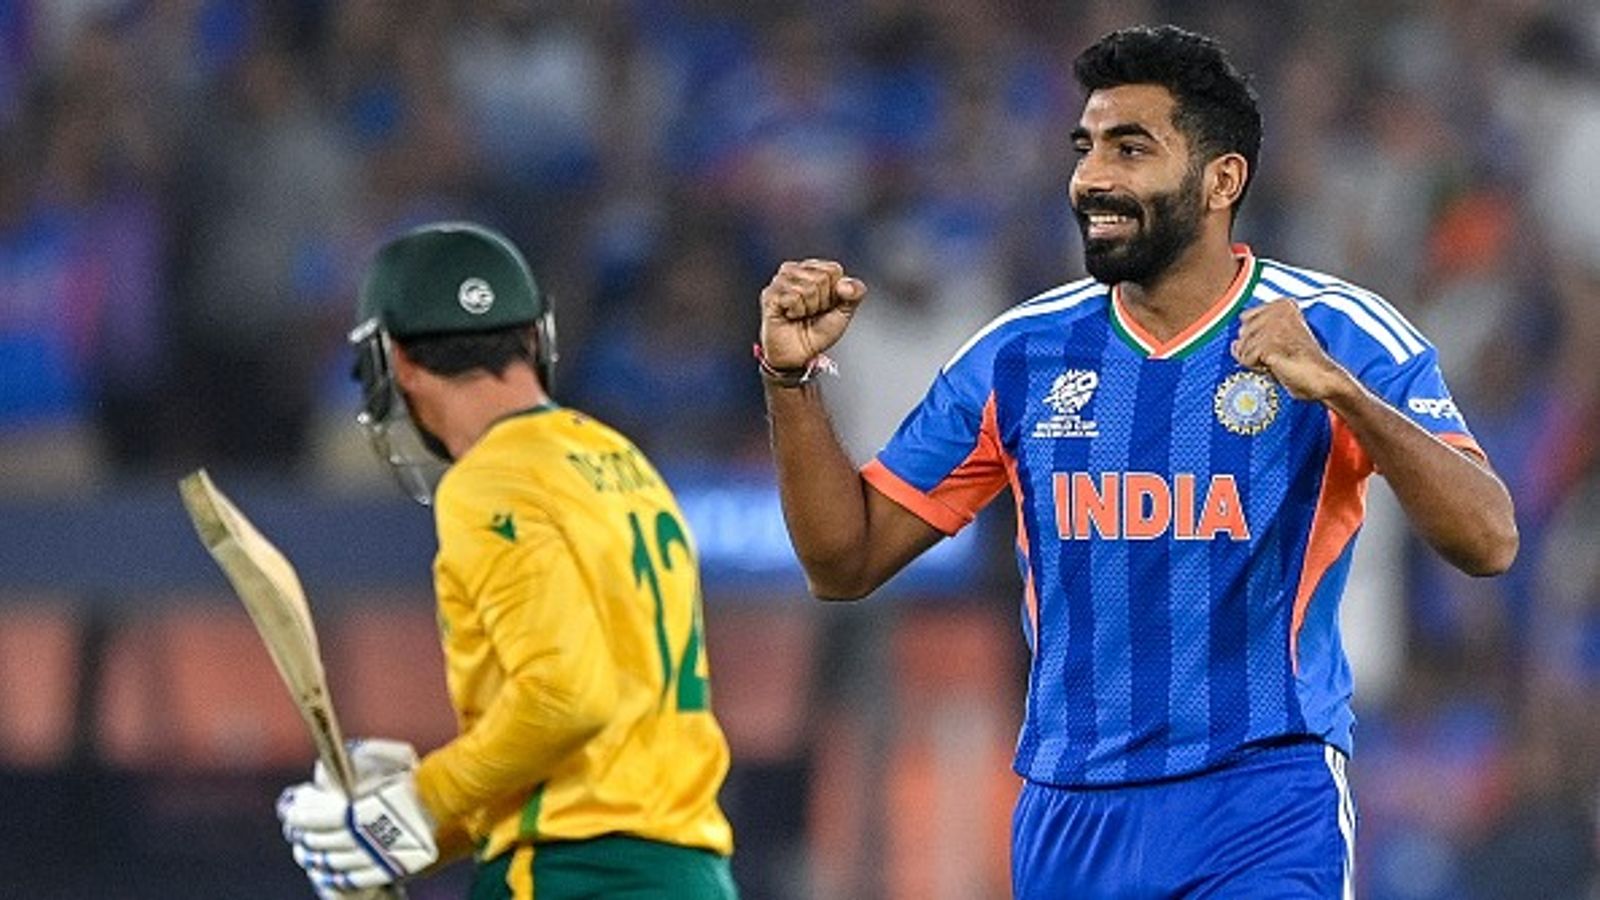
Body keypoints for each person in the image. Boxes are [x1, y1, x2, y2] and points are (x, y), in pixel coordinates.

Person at [756, 24, 1517, 899]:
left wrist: (1343, 394)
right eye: (1085, 149)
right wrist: (790, 375)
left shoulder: (1339, 332)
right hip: (1071, 815)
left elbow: (1488, 539)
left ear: (1222, 179)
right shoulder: (1021, 353)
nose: (1092, 179)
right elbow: (843, 560)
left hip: (1263, 800)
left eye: (1130, 148)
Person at [275, 221, 738, 899]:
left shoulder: (489, 478)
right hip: (689, 873)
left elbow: (564, 699)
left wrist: (423, 798)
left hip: (573, 877)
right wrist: (401, 827)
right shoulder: (618, 458)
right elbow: (586, 746)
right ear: (532, 338)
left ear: (396, 362)